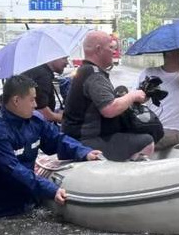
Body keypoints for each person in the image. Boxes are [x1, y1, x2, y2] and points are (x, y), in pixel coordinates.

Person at [0, 75, 102, 220]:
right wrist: (51, 189)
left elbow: (56, 139)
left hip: (23, 204)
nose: (35, 105)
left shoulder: (35, 121)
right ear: (16, 101)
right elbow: (13, 171)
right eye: (31, 100)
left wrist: (83, 152)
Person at [62, 30, 154, 161]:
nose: (113, 51)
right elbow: (109, 109)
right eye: (110, 47)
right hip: (86, 141)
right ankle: (129, 178)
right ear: (99, 50)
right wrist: (132, 96)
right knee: (147, 141)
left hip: (76, 139)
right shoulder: (94, 75)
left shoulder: (86, 71)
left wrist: (130, 98)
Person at [137, 48, 179, 150]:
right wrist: (145, 93)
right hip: (150, 126)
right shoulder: (149, 73)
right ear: (168, 54)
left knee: (146, 141)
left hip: (174, 130)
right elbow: (135, 101)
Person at [22, 57, 68, 123]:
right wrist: (61, 117)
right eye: (64, 58)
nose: (67, 62)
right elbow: (42, 111)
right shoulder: (43, 76)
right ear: (53, 57)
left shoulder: (40, 71)